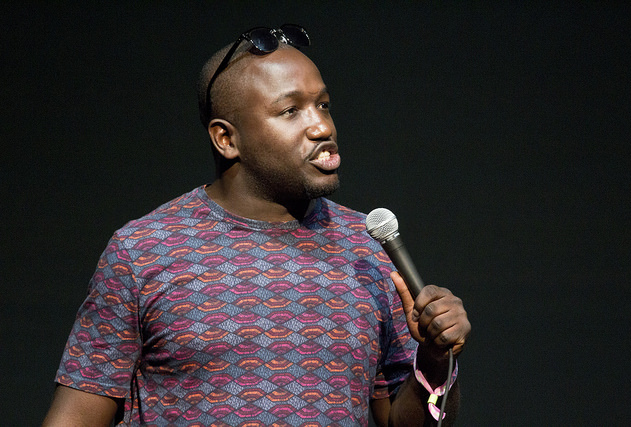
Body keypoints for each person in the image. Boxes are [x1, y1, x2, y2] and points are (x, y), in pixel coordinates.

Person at [43, 25, 470, 426]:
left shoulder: (366, 248)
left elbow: (406, 421)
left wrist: (434, 359)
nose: (321, 126)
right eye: (290, 110)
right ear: (226, 139)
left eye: (323, 105)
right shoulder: (143, 251)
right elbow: (74, 417)